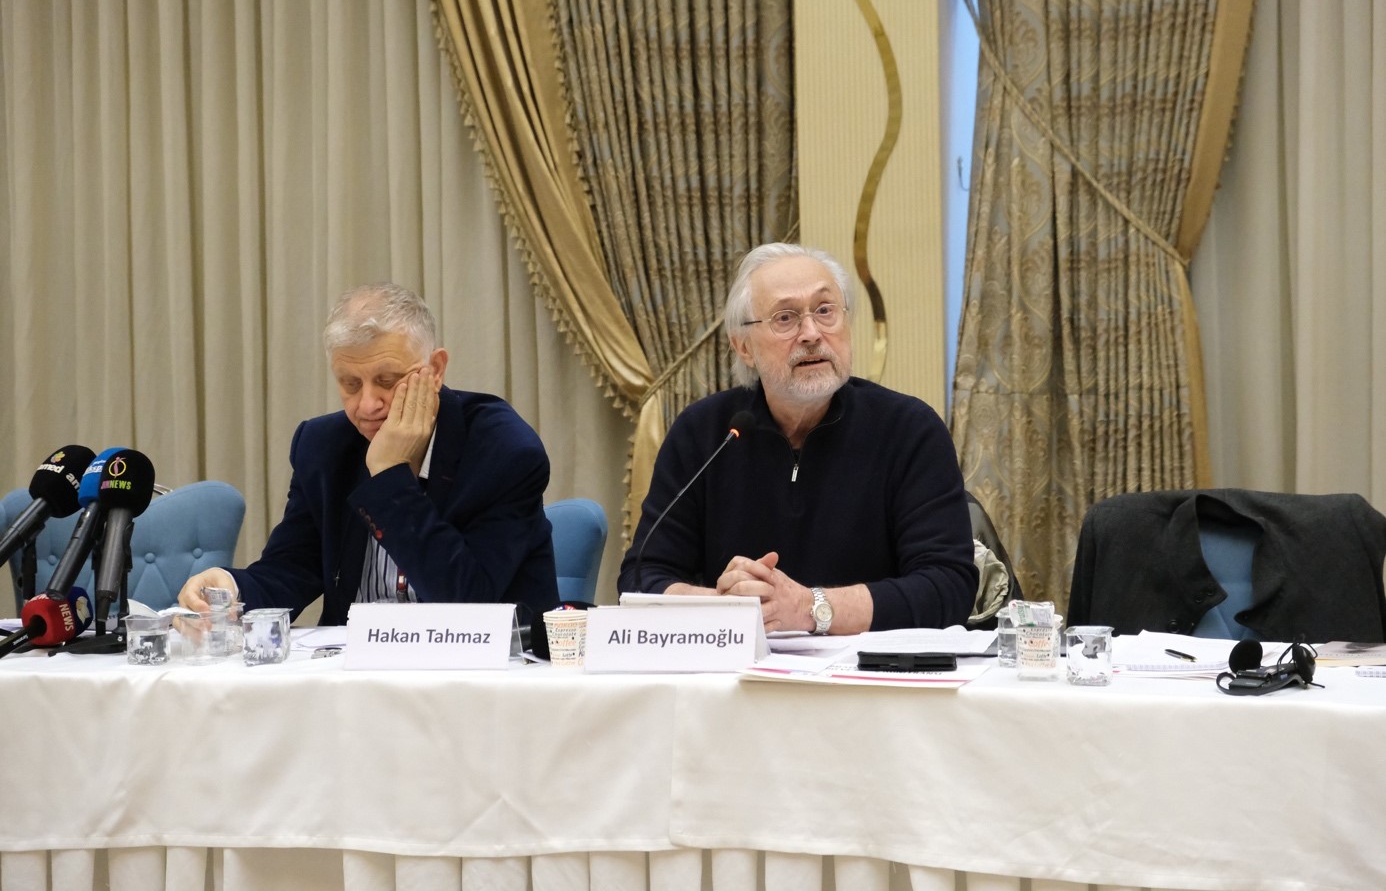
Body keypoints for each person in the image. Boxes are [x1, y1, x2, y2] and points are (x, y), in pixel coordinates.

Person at [617, 243, 978, 633]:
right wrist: (731, 607)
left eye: (825, 311)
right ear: (743, 346)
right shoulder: (704, 433)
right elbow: (641, 577)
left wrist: (810, 607)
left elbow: (948, 588)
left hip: (871, 669)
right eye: (785, 318)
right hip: (740, 666)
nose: (811, 334)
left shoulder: (909, 430)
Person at [178, 283, 558, 627]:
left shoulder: (504, 451)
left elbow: (467, 602)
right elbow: (291, 569)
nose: (367, 405)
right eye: (350, 384)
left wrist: (389, 475)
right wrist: (230, 589)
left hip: (480, 667)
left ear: (436, 369)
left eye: (387, 382)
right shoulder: (323, 446)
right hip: (354, 668)